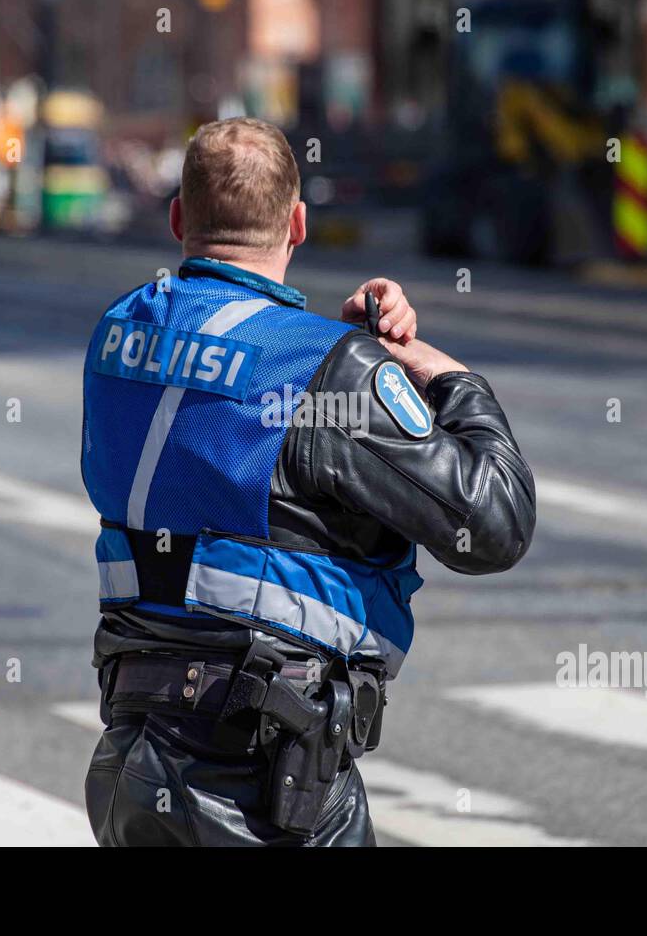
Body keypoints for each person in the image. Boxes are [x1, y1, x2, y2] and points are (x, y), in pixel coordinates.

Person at [80, 117, 535, 846]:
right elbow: (493, 523)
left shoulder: (119, 333)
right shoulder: (325, 372)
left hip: (134, 758)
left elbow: (225, 398)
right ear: (297, 223)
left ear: (176, 219)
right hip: (265, 788)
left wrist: (351, 354)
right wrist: (432, 369)